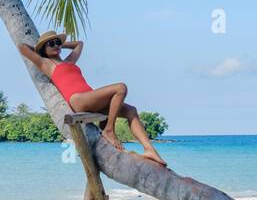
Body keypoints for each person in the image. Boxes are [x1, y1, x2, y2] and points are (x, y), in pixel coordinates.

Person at [18, 31, 167, 164]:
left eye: (58, 42)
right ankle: (109, 129)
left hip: (91, 98)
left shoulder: (68, 61)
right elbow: (21, 47)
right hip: (78, 100)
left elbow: (79, 44)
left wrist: (61, 44)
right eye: (51, 44)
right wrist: (39, 47)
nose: (56, 45)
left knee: (131, 110)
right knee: (120, 88)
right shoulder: (46, 64)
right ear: (44, 48)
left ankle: (149, 150)